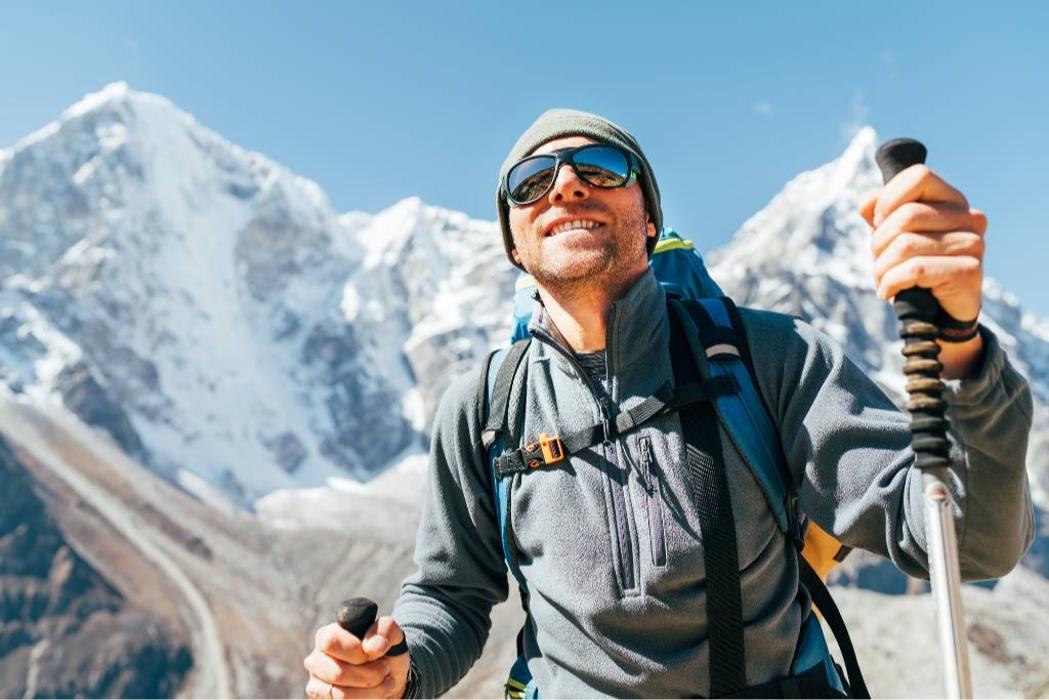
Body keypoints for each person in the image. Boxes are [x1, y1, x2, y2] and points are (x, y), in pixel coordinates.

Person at [303, 109, 1035, 698]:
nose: (564, 186)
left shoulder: (768, 357)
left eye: (601, 168)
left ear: (649, 220)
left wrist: (959, 345)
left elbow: (965, 539)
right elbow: (451, 595)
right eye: (530, 181)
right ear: (513, 246)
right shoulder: (484, 408)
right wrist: (398, 671)